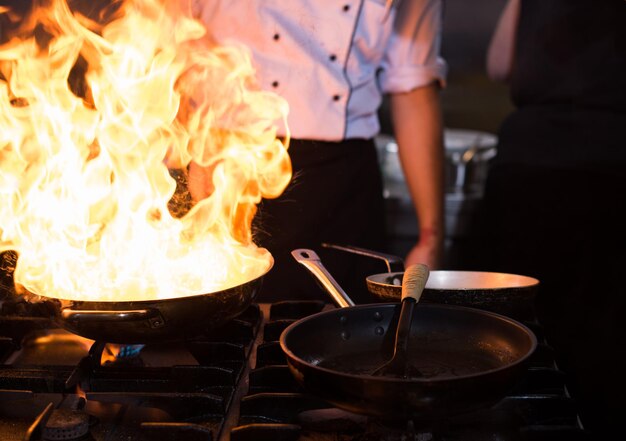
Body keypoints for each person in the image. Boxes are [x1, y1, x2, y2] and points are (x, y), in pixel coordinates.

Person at [189, 0, 448, 302]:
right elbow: (164, 33)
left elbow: (412, 82)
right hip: (222, 166)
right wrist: (199, 138)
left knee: (345, 334)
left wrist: (432, 235)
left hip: (339, 191)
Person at [477, 0, 626, 436]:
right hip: (614, 164)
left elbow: (499, 64)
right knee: (606, 338)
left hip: (529, 164)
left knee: (510, 327)